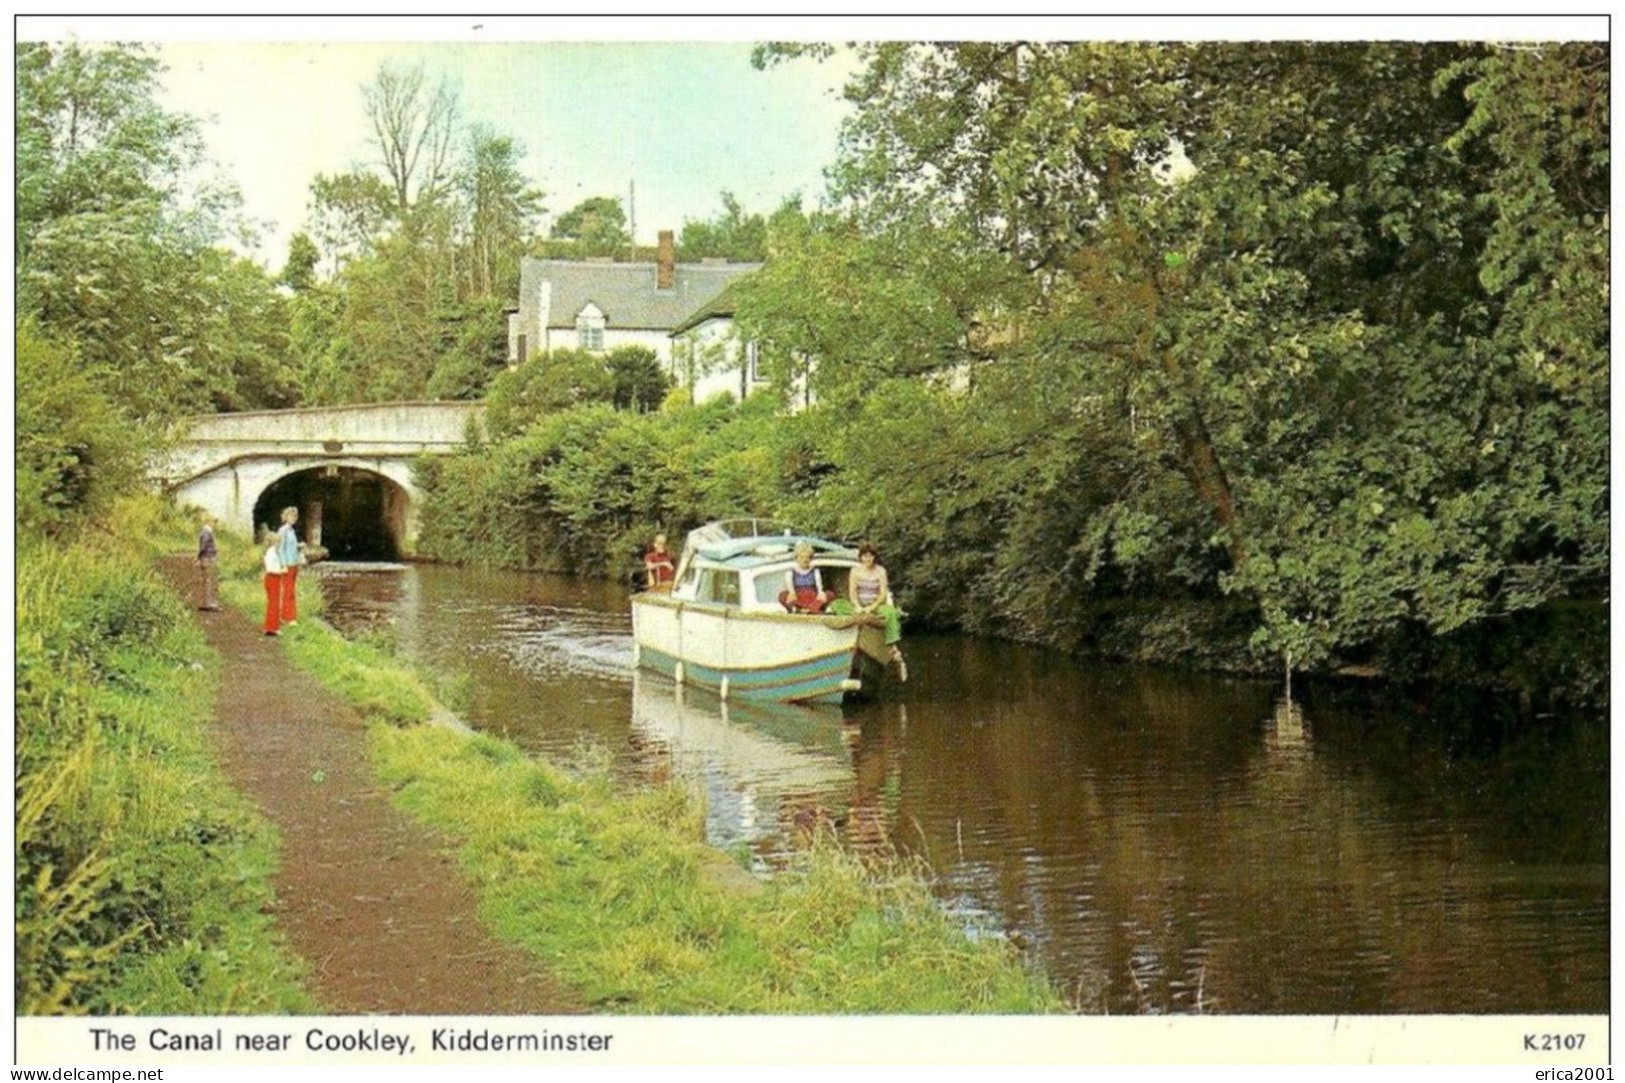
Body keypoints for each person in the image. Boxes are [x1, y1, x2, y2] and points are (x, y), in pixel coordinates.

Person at [840, 542, 907, 682]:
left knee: (891, 613)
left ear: (874, 557)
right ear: (861, 558)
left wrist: (872, 607)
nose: (868, 559)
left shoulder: (880, 571)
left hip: (876, 604)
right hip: (859, 603)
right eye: (865, 556)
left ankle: (892, 648)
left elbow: (883, 594)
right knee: (838, 607)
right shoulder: (855, 571)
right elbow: (852, 593)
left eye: (870, 556)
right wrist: (858, 606)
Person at [779, 541, 836, 614]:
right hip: (798, 596)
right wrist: (792, 593)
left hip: (812, 596)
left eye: (807, 557)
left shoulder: (815, 571)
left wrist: (820, 593)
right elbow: (790, 586)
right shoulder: (791, 572)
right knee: (782, 595)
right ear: (797, 559)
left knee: (829, 594)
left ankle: (812, 610)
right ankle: (796, 609)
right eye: (802, 557)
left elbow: (819, 585)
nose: (805, 560)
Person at [276, 506, 305, 625]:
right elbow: (280, 549)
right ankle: (289, 618)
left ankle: (285, 616)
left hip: (294, 563)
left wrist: (299, 546)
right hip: (287, 564)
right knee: (288, 591)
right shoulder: (283, 530)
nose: (294, 518)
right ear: (286, 517)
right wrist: (283, 565)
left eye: (295, 516)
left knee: (291, 590)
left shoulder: (291, 531)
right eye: (291, 516)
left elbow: (290, 547)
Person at [262, 528, 286, 636]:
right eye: (278, 542)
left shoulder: (271, 552)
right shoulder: (271, 553)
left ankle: (269, 625)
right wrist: (282, 571)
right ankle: (272, 627)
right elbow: (271, 569)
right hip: (273, 578)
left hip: (273, 578)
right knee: (274, 604)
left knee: (272, 603)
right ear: (274, 542)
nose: (279, 545)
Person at [196, 514, 221, 611]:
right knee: (208, 580)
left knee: (208, 580)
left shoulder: (206, 531)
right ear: (209, 521)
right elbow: (204, 545)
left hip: (207, 557)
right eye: (213, 522)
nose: (214, 524)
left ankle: (208, 602)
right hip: (208, 558)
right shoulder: (207, 531)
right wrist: (199, 556)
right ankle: (208, 603)